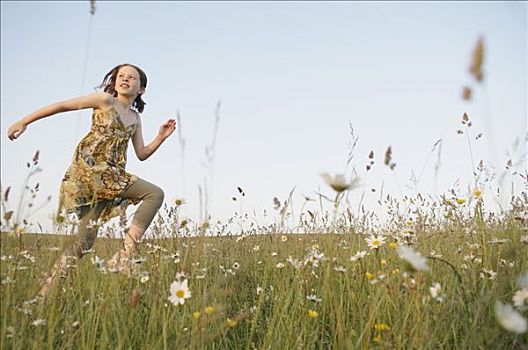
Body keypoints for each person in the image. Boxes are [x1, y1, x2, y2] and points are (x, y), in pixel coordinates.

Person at [6, 63, 176, 297]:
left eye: (132, 77)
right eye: (121, 76)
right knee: (87, 241)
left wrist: (161, 137)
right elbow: (61, 106)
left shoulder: (135, 119)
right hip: (89, 174)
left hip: (113, 176)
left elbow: (142, 154)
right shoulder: (105, 101)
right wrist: (24, 121)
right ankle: (120, 259)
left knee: (87, 240)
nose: (124, 79)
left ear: (141, 89)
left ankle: (120, 258)